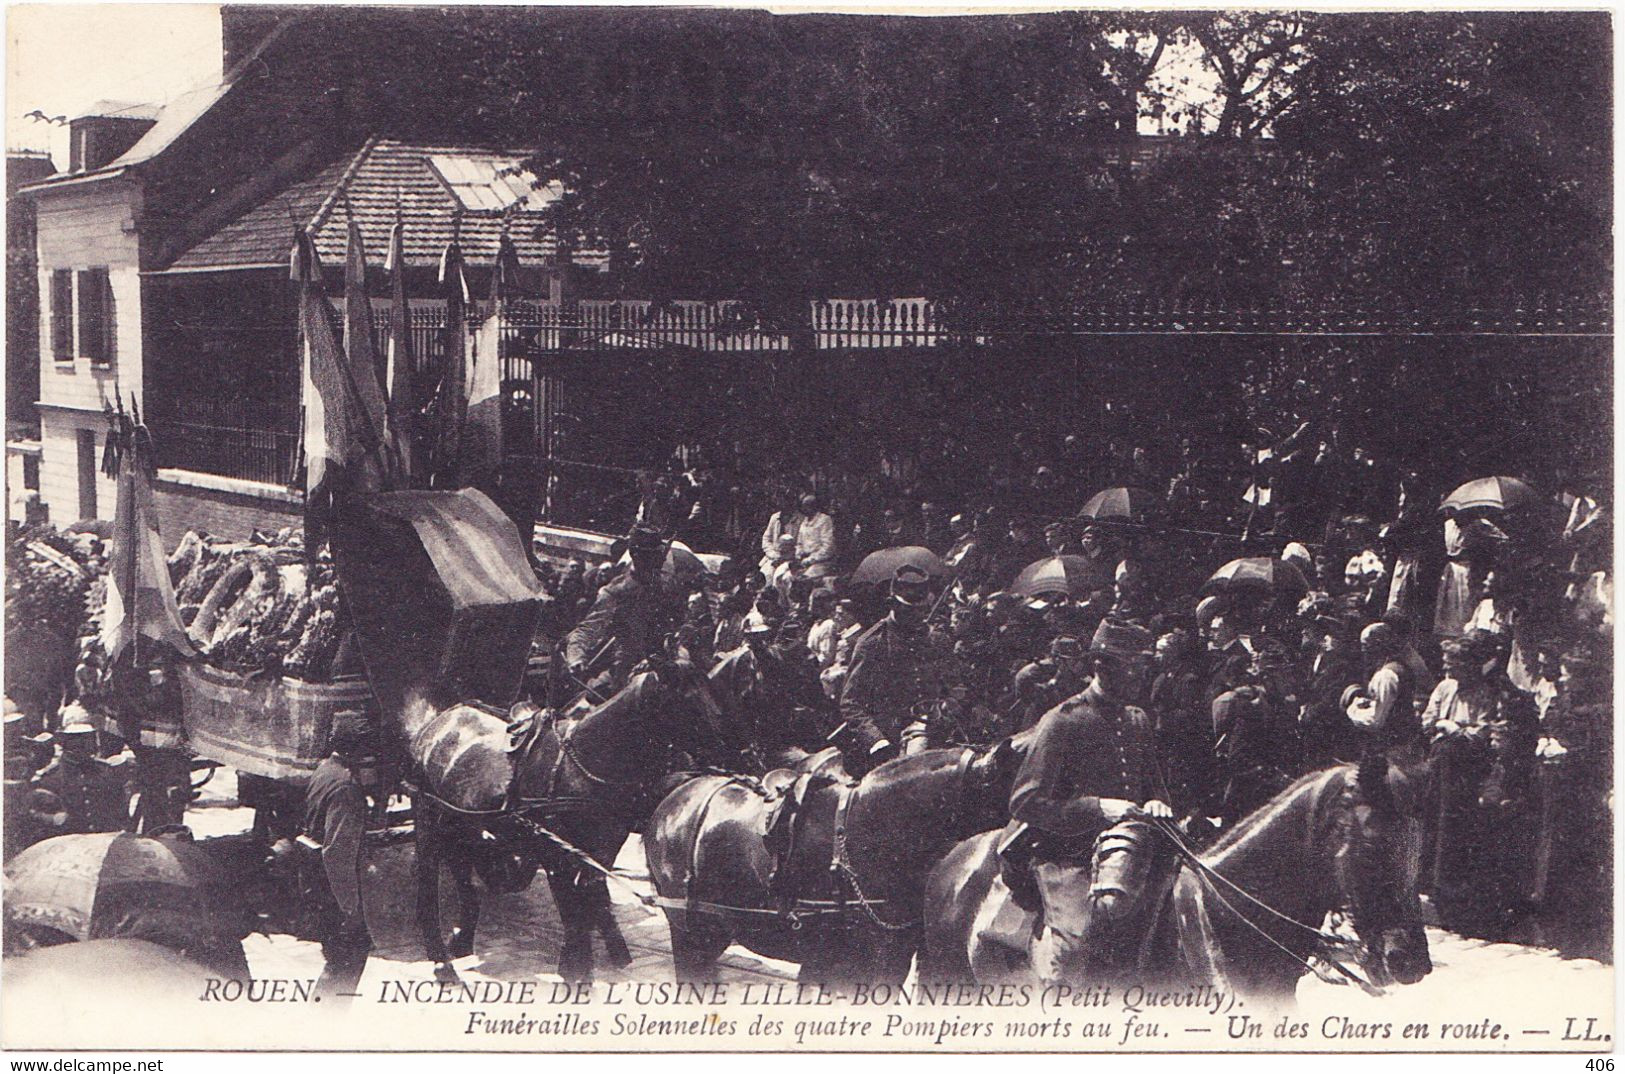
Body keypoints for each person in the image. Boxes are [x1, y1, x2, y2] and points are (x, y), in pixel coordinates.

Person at [1005, 618, 1172, 987]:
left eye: (1144, 667)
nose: (1142, 677)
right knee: (1074, 953)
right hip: (1067, 854)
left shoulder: (1137, 719)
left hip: (1131, 847)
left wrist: (1158, 803)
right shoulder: (1064, 721)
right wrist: (1097, 808)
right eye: (1134, 668)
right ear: (1103, 667)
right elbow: (1025, 802)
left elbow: (1154, 786)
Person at [835, 565, 956, 773]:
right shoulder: (872, 644)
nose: (919, 617)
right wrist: (876, 740)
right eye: (911, 610)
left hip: (939, 730)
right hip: (891, 741)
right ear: (894, 605)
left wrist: (951, 701)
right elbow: (851, 702)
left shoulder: (937, 639)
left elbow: (953, 684)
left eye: (922, 609)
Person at [301, 713, 378, 1003]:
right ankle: (328, 1020)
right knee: (349, 956)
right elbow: (337, 854)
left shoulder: (324, 770)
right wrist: (352, 910)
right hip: (330, 888)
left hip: (312, 880)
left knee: (336, 959)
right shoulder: (346, 788)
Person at [565, 524, 686, 697]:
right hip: (628, 673)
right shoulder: (616, 592)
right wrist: (576, 658)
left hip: (668, 666)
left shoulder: (668, 585)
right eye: (652, 555)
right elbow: (586, 630)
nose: (659, 560)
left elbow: (680, 624)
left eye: (660, 555)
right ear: (636, 555)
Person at [1343, 622, 1419, 749]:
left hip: (1389, 746)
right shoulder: (1400, 666)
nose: (1363, 650)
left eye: (1366, 645)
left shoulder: (1386, 675)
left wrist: (1352, 709)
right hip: (1401, 739)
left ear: (1379, 646)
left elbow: (1375, 721)